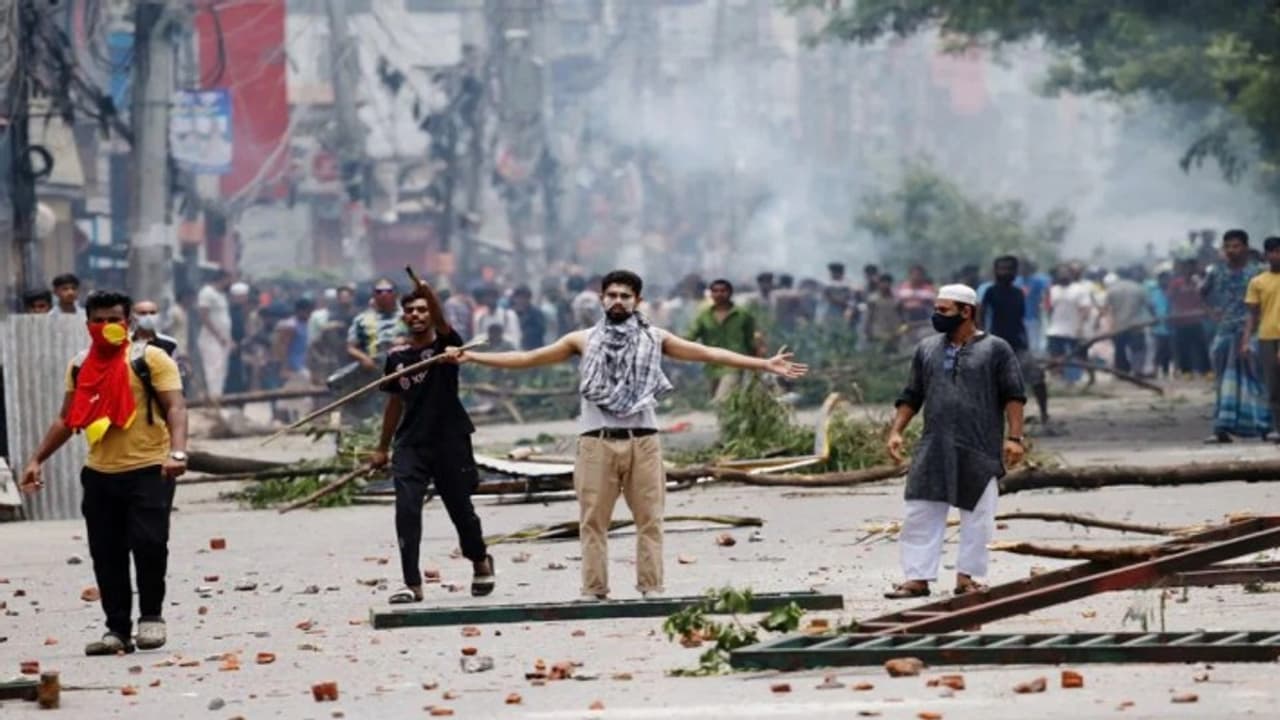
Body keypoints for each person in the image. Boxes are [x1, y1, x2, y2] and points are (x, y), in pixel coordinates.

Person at [454, 270, 807, 600]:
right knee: (593, 521)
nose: (618, 301)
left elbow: (707, 353)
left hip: (644, 441)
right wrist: (473, 358)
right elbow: (528, 357)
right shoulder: (582, 340)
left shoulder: (655, 338)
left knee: (649, 519)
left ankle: (651, 588)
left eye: (625, 295)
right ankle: (594, 591)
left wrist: (762, 364)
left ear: (637, 301)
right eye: (611, 295)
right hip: (596, 441)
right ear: (602, 299)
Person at [20, 290, 188, 655]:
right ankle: (117, 629)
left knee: (149, 544)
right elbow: (68, 418)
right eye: (98, 320)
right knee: (106, 553)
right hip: (99, 473)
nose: (106, 326)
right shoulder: (80, 364)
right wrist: (37, 459)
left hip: (149, 468)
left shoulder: (150, 358)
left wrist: (177, 451)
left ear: (127, 323)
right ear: (87, 325)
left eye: (114, 319)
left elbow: (175, 407)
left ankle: (151, 618)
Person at [885, 284, 1026, 599]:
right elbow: (912, 394)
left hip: (979, 445)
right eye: (936, 309)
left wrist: (1014, 438)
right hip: (933, 446)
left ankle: (968, 578)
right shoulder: (926, 349)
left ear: (967, 311)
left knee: (978, 517)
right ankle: (916, 579)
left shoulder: (997, 349)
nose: (937, 315)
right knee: (920, 511)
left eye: (944, 310)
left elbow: (1013, 396)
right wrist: (896, 431)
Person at [370, 284, 495, 603]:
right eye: (410, 310)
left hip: (450, 440)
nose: (416, 315)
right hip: (411, 443)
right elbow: (395, 403)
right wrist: (382, 448)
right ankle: (411, 584)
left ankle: (480, 560)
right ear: (403, 316)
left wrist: (429, 293)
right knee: (407, 510)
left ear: (433, 313)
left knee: (461, 509)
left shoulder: (447, 347)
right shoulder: (397, 357)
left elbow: (442, 324)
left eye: (423, 310)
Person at [1204, 229, 1271, 443]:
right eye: (1228, 247)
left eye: (1236, 246)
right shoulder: (1216, 272)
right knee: (1223, 379)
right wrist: (1212, 313)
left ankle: (1264, 425)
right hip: (1225, 330)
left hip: (1254, 330)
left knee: (1257, 378)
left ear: (1245, 247)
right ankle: (1221, 427)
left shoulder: (1259, 272)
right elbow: (1204, 292)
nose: (1232, 251)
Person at [980, 256, 1049, 425]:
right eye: (1001, 269)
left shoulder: (1018, 293)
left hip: (1017, 344)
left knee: (1037, 377)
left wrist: (1025, 342)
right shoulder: (990, 292)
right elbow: (980, 317)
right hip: (995, 344)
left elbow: (1019, 321)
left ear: (1015, 271)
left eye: (1009, 269)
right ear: (995, 271)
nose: (1005, 272)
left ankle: (1044, 414)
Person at [687, 279, 758, 402]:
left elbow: (750, 341)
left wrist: (755, 363)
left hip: (734, 363)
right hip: (712, 365)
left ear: (730, 293)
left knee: (723, 399)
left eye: (723, 291)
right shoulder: (704, 316)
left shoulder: (743, 315)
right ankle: (730, 421)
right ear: (711, 294)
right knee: (719, 400)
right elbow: (691, 335)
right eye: (715, 291)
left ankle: (725, 421)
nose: (719, 294)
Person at [1243, 237, 1280, 441]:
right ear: (1266, 255)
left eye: (1279, 251)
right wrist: (1246, 340)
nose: (1276, 255)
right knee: (1273, 386)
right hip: (1267, 336)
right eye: (1272, 251)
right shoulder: (1258, 282)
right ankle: (1278, 427)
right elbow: (1252, 314)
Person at [1102, 268, 1153, 375]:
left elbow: (1106, 309)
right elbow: (1150, 305)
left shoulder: (1112, 290)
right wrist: (1154, 318)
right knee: (1138, 349)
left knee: (1120, 350)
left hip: (1118, 325)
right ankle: (1137, 370)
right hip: (1136, 325)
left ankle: (1121, 372)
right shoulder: (1138, 288)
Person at [1046, 267, 1092, 384]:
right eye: (1060, 273)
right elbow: (1049, 308)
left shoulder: (1079, 290)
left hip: (1073, 330)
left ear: (1071, 275)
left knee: (1074, 356)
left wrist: (1080, 326)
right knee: (1056, 355)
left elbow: (1085, 309)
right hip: (1055, 329)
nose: (1063, 276)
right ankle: (1059, 378)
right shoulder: (1053, 290)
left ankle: (1073, 380)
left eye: (1065, 273)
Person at [1167, 258, 1210, 378]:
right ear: (1183, 269)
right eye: (1187, 267)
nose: (1190, 270)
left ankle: (1206, 370)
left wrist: (1205, 311)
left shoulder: (1197, 282)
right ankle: (1186, 371)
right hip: (1181, 321)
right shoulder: (1176, 283)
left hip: (1196, 320)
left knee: (1201, 345)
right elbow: (1171, 299)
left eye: (1192, 268)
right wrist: (1175, 312)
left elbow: (1202, 299)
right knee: (1183, 347)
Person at [196, 270, 234, 397]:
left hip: (223, 339)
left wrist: (228, 339)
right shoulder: (207, 292)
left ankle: (218, 398)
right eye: (229, 279)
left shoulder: (222, 295)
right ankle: (214, 399)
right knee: (213, 370)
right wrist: (218, 335)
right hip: (211, 339)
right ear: (222, 278)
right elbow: (204, 316)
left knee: (222, 370)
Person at [864, 273, 903, 353]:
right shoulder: (873, 299)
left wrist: (901, 330)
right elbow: (869, 316)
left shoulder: (896, 299)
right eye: (883, 282)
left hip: (894, 331)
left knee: (894, 352)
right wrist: (867, 331)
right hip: (878, 331)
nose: (885, 285)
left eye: (888, 282)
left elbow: (902, 316)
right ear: (879, 284)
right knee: (880, 352)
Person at [1148, 270, 1174, 378]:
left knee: (1169, 351)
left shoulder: (1172, 292)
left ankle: (1166, 371)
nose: (1164, 281)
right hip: (1158, 327)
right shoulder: (1154, 293)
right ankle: (1154, 370)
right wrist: (1153, 317)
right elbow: (1150, 306)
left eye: (1166, 279)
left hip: (1171, 326)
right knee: (1158, 350)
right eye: (1162, 279)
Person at [511, 285, 546, 350]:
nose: (521, 300)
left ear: (529, 298)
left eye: (524, 297)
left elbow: (540, 330)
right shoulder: (510, 313)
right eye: (518, 297)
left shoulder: (536, 313)